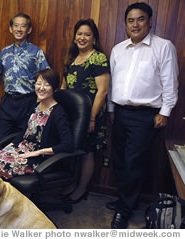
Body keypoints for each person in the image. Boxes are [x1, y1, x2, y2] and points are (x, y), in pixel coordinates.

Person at [108, 2, 178, 229]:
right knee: (119, 160)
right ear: (125, 24)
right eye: (131, 20)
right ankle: (125, 199)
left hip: (145, 116)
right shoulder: (118, 49)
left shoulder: (164, 47)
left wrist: (165, 112)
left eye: (140, 19)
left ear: (150, 21)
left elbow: (170, 83)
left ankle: (125, 210)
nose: (135, 24)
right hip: (119, 112)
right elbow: (113, 83)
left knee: (133, 163)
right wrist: (111, 110)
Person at [0, 68, 73, 180]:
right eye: (38, 84)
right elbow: (24, 131)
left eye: (47, 85)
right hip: (21, 149)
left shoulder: (58, 113)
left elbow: (68, 144)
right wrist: (10, 146)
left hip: (39, 158)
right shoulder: (35, 106)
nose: (41, 88)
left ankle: (2, 196)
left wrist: (39, 152)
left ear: (54, 88)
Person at [0, 13, 50, 140]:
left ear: (29, 30)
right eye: (16, 25)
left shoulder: (36, 52)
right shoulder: (4, 52)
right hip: (8, 103)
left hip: (29, 101)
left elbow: (46, 76)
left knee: (24, 140)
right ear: (11, 29)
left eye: (23, 26)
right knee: (1, 140)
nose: (19, 29)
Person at [60, 19, 110, 203]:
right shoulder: (71, 59)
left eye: (87, 34)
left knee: (87, 151)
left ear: (94, 39)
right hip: (71, 115)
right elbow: (63, 88)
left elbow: (102, 90)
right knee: (74, 149)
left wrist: (91, 118)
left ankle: (81, 189)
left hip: (91, 115)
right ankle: (73, 183)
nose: (82, 37)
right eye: (79, 34)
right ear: (75, 37)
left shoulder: (98, 58)